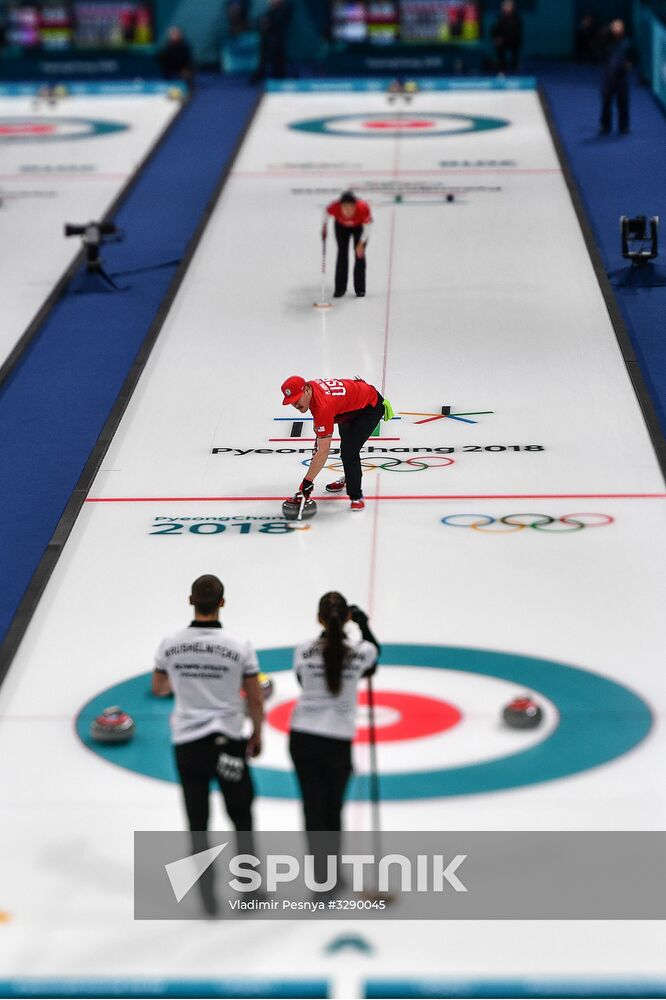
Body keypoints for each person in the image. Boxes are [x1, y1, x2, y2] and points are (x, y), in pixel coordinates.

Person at [151, 574, 264, 914]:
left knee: (197, 821)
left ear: (191, 601)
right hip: (227, 744)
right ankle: (249, 890)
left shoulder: (170, 644)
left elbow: (159, 688)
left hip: (188, 745)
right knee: (241, 814)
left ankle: (207, 898)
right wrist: (256, 733)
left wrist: (188, 683)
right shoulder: (238, 645)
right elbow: (255, 699)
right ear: (222, 602)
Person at [289, 592, 380, 883]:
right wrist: (363, 626)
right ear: (347, 619)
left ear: (319, 618)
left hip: (303, 735)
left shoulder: (303, 650)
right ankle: (334, 874)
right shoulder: (360, 651)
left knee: (313, 808)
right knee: (333, 808)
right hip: (337, 739)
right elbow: (374, 658)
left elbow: (303, 681)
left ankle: (320, 878)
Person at [280, 374, 388, 512]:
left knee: (349, 451)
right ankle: (350, 477)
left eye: (297, 399)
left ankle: (356, 496)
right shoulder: (313, 391)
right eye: (291, 402)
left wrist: (307, 482)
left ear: (307, 389)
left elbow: (323, 451)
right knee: (346, 447)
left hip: (369, 407)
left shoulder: (322, 406)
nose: (295, 405)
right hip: (348, 406)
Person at [322, 190, 373, 298]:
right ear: (340, 206)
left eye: (351, 207)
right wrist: (324, 227)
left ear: (355, 206)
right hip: (341, 227)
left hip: (360, 228)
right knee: (342, 254)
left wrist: (361, 242)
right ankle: (340, 289)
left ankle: (360, 289)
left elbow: (367, 227)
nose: (348, 210)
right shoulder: (334, 207)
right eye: (345, 207)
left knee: (359, 255)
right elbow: (326, 213)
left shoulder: (363, 208)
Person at [599, 19, 632, 135]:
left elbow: (633, 55)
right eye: (615, 26)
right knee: (606, 102)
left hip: (622, 77)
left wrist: (629, 63)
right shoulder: (606, 40)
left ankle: (624, 126)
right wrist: (609, 29)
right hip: (609, 76)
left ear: (623, 28)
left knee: (623, 102)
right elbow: (600, 38)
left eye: (619, 26)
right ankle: (605, 126)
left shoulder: (627, 42)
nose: (617, 28)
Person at [250, 0, 292, 83]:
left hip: (279, 33)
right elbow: (260, 20)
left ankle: (277, 72)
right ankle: (262, 71)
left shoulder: (287, 7)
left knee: (274, 40)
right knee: (266, 40)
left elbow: (279, 21)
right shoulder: (265, 8)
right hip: (268, 33)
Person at [491, 0, 523, 75]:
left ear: (513, 8)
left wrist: (511, 39)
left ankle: (515, 66)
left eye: (509, 6)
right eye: (505, 6)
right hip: (502, 41)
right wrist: (496, 38)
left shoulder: (517, 19)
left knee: (515, 46)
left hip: (513, 41)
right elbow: (494, 30)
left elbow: (518, 33)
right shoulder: (499, 18)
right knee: (499, 46)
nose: (507, 8)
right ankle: (501, 68)